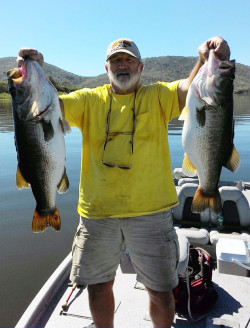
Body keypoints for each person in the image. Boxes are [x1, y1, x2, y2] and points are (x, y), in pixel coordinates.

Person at [17, 36, 230, 328]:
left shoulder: (158, 95)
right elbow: (48, 108)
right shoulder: (89, 98)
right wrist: (34, 74)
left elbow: (190, 88)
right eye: (116, 60)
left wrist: (207, 60)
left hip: (152, 213)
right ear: (106, 67)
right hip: (97, 214)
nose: (123, 65)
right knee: (98, 285)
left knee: (161, 289)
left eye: (129, 60)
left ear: (141, 66)